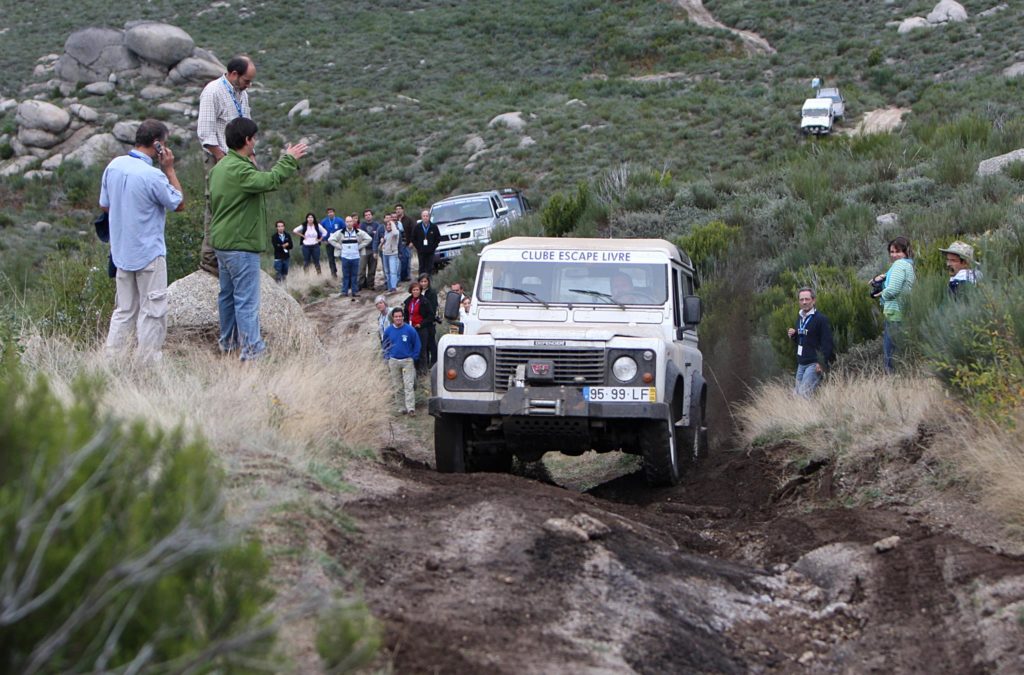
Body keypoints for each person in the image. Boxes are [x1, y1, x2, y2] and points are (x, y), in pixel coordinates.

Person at [209, 117, 307, 360]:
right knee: (246, 300)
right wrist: (289, 159)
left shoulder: (220, 167)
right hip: (241, 244)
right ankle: (253, 352)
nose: (256, 142)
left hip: (222, 242)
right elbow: (270, 180)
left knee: (228, 297)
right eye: (254, 138)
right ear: (246, 140)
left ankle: (228, 345)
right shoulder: (240, 169)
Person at [100, 119, 184, 363]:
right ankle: (147, 364)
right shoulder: (153, 176)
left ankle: (112, 361)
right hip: (149, 252)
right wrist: (169, 170)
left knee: (124, 310)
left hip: (121, 251)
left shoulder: (114, 166)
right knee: (153, 310)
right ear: (157, 145)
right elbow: (178, 203)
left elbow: (104, 205)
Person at [196, 55, 256, 276]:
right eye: (246, 80)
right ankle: (210, 259)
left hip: (239, 157)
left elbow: (246, 126)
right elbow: (205, 132)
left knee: (240, 204)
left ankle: (233, 252)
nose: (248, 85)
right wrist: (222, 159)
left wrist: (251, 157)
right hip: (218, 157)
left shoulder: (242, 94)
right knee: (216, 204)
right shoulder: (213, 92)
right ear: (233, 74)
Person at [871, 236, 915, 373]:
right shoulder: (908, 264)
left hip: (895, 315)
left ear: (906, 252)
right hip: (903, 313)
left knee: (890, 355)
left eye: (898, 251)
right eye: (892, 252)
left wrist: (880, 294)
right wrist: (881, 278)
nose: (894, 255)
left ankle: (894, 382)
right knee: (900, 352)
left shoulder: (899, 265)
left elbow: (893, 289)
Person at [787, 287, 834, 397]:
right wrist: (794, 336)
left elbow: (827, 343)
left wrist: (822, 363)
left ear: (813, 300)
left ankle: (808, 414)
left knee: (804, 394)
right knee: (796, 394)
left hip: (814, 364)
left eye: (807, 299)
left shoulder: (821, 319)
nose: (804, 302)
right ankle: (801, 414)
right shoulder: (800, 317)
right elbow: (805, 339)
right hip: (801, 363)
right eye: (801, 299)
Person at [383, 307, 421, 415]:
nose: (398, 318)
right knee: (397, 385)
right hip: (394, 361)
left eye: (400, 316)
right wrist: (387, 356)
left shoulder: (410, 329)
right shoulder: (389, 330)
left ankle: (410, 408)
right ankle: (401, 407)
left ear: (403, 317)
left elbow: (417, 344)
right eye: (396, 317)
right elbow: (385, 344)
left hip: (407, 361)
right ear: (393, 318)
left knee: (409, 385)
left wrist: (414, 357)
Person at [328, 216, 370, 299]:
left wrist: (360, 246)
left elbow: (369, 238)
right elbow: (330, 239)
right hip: (345, 256)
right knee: (346, 275)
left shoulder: (358, 232)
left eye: (350, 221)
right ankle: (344, 291)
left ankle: (354, 291)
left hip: (355, 256)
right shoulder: (341, 232)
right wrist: (339, 246)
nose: (349, 223)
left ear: (353, 222)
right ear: (345, 223)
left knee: (355, 275)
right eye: (347, 222)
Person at [403, 282, 430, 374]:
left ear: (420, 290)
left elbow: (430, 316)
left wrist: (421, 324)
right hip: (410, 329)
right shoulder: (408, 301)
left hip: (421, 329)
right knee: (412, 349)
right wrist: (406, 324)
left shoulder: (425, 301)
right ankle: (414, 369)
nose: (415, 291)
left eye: (417, 290)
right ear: (411, 291)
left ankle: (423, 370)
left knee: (422, 349)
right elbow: (405, 314)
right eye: (414, 290)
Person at [417, 273, 439, 371]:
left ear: (428, 282)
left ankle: (434, 363)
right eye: (421, 281)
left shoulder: (432, 293)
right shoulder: (417, 292)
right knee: (423, 345)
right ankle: (424, 365)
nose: (423, 283)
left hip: (429, 322)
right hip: (420, 322)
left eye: (425, 281)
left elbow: (433, 308)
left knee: (431, 344)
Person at [412, 209, 441, 276]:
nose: (425, 217)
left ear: (429, 217)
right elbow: (413, 238)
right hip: (421, 251)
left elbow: (438, 238)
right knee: (422, 267)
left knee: (430, 267)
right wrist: (418, 247)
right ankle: (421, 281)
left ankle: (430, 281)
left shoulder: (434, 227)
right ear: (421, 217)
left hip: (430, 251)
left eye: (427, 216)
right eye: (424, 216)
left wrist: (433, 247)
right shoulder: (417, 227)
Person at [361, 209, 384, 290]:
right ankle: (361, 285)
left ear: (372, 215)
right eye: (366, 215)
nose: (368, 216)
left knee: (372, 269)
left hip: (374, 249)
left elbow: (380, 235)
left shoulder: (377, 225)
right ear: (364, 216)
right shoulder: (362, 225)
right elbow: (361, 236)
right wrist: (372, 233)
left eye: (369, 214)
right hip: (364, 249)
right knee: (362, 268)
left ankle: (370, 285)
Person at [320, 207, 344, 278]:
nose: (330, 213)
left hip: (338, 243)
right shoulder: (324, 221)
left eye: (331, 212)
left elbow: (344, 229)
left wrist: (342, 240)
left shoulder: (339, 220)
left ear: (334, 212)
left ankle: (344, 272)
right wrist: (323, 240)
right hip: (329, 242)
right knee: (331, 259)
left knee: (341, 258)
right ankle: (333, 274)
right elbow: (321, 231)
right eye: (329, 212)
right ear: (327, 214)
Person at [380, 216, 401, 292]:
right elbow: (383, 243)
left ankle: (393, 287)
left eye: (390, 225)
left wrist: (391, 222)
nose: (388, 226)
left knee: (393, 271)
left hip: (392, 254)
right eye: (387, 225)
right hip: (385, 253)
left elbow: (395, 232)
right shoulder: (386, 233)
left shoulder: (396, 232)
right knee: (387, 272)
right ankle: (389, 287)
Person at [395, 203, 414, 282]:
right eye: (396, 209)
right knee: (400, 262)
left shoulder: (409, 220)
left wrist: (412, 242)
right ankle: (400, 277)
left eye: (399, 208)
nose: (398, 210)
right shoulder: (394, 221)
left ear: (403, 210)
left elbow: (413, 231)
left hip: (407, 244)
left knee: (407, 261)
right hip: (397, 246)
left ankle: (407, 276)